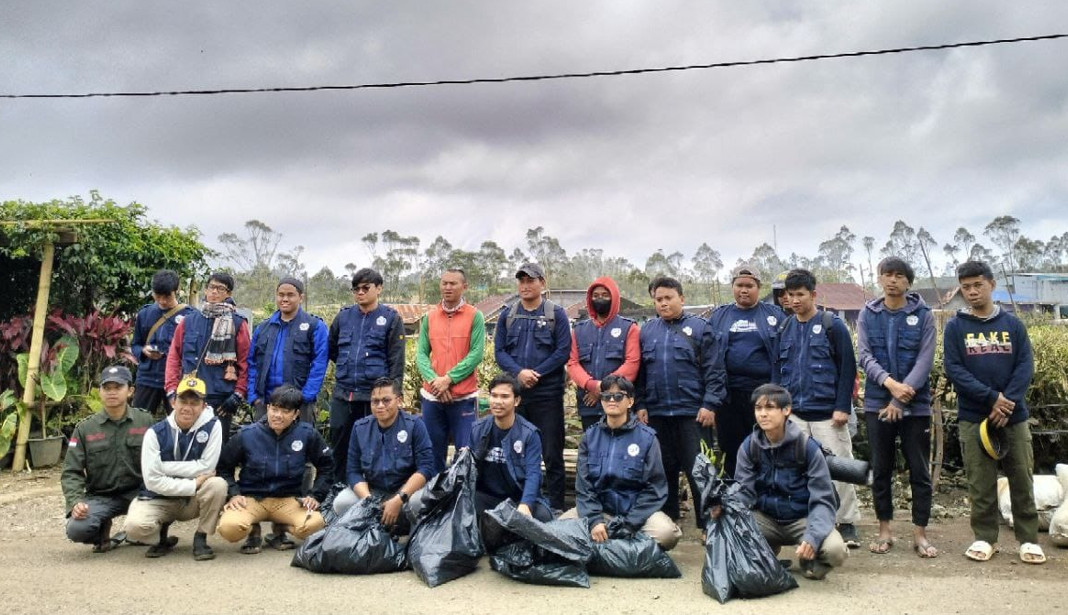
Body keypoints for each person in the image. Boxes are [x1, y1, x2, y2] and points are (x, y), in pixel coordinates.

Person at [944, 260, 1044, 564]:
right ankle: (985, 538)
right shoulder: (956, 327)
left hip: (1013, 416)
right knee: (980, 482)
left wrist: (1007, 401)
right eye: (966, 287)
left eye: (978, 285)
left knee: (1021, 478)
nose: (972, 291)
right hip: (974, 417)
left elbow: (1025, 365)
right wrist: (991, 399)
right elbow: (955, 369)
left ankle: (1028, 539)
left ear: (992, 284)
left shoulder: (1013, 325)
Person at [773, 268, 861, 548]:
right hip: (795, 415)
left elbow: (847, 369)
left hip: (828, 414)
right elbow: (777, 372)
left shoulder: (832, 326)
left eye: (800, 294)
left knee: (840, 468)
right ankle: (810, 520)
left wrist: (842, 407)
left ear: (813, 294)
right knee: (798, 470)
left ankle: (847, 523)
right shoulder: (784, 329)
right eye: (790, 295)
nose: (795, 300)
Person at [856, 257, 937, 557]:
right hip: (878, 404)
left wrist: (900, 399)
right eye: (887, 274)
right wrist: (890, 386)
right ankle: (884, 530)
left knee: (919, 470)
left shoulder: (923, 315)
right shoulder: (868, 314)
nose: (892, 280)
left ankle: (920, 534)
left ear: (908, 282)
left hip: (916, 406)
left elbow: (925, 360)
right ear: (879, 279)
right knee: (881, 469)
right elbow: (864, 355)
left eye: (899, 275)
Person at [732, 383, 849, 580]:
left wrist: (813, 537)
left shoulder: (807, 447)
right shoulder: (749, 446)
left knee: (835, 551)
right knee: (729, 532)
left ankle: (808, 561)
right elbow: (743, 493)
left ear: (786, 410)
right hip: (765, 519)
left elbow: (823, 500)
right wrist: (724, 507)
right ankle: (767, 554)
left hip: (802, 518)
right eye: (758, 408)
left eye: (770, 408)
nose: (763, 414)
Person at [634, 275, 719, 531]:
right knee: (663, 469)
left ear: (681, 298)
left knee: (699, 470)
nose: (663, 303)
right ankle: (668, 521)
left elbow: (715, 370)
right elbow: (641, 374)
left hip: (692, 413)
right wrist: (641, 404)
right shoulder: (647, 331)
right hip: (658, 413)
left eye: (668, 298)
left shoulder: (701, 328)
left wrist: (710, 404)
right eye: (658, 299)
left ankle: (707, 526)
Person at [564, 375, 681, 550]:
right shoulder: (590, 437)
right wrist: (594, 520)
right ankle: (614, 544)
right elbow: (584, 486)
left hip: (637, 514)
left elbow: (655, 488)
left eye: (618, 396)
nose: (612, 400)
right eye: (606, 396)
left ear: (630, 401)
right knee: (557, 531)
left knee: (667, 534)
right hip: (600, 512)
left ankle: (614, 545)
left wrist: (630, 524)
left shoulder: (647, 438)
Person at [216, 384, 333, 553]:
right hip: (252, 499)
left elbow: (327, 466)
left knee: (315, 525)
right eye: (274, 409)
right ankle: (253, 530)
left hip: (289, 500)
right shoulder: (247, 434)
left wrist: (315, 495)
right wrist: (233, 494)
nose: (278, 415)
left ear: (296, 414)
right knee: (229, 528)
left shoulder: (307, 434)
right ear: (268, 408)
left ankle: (281, 528)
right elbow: (223, 468)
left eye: (285, 411)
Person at [493, 262, 571, 512]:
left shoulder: (556, 314)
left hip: (547, 396)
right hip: (517, 398)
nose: (525, 286)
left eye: (531, 280)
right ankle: (517, 504)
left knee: (552, 454)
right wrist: (519, 373)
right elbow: (499, 352)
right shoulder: (508, 315)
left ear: (542, 283)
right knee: (515, 452)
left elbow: (563, 351)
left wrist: (536, 374)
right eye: (522, 281)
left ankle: (556, 508)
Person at [123, 376, 227, 560]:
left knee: (217, 485)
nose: (187, 407)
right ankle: (160, 537)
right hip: (159, 497)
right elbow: (152, 481)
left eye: (194, 403)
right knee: (134, 527)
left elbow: (207, 466)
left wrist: (163, 467)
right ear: (173, 402)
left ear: (204, 406)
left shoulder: (214, 426)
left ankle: (201, 537)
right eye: (183, 401)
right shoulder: (155, 433)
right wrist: (193, 484)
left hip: (191, 501)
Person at [61, 365, 155, 552]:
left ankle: (148, 534)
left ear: (130, 391)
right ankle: (102, 532)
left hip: (139, 493)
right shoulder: (85, 429)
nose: (112, 392)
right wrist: (76, 502)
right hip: (101, 496)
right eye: (107, 388)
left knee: (162, 511)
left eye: (118, 387)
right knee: (77, 529)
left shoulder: (145, 421)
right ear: (100, 392)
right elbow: (71, 471)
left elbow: (161, 460)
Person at [328, 267, 406, 485]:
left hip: (374, 396)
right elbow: (332, 349)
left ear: (378, 288)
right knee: (339, 442)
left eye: (365, 288)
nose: (360, 292)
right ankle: (338, 488)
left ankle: (373, 489)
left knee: (374, 444)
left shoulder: (390, 318)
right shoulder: (343, 317)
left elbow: (396, 359)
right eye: (356, 289)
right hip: (344, 393)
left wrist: (394, 393)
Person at [707, 263, 786, 476]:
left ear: (758, 288)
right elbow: (708, 355)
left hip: (764, 394)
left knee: (766, 444)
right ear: (732, 287)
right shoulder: (719, 316)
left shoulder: (774, 315)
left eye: (749, 286)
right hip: (728, 396)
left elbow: (785, 355)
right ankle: (735, 491)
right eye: (739, 285)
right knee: (731, 446)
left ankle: (766, 490)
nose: (744, 290)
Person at [332, 378, 435, 535]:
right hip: (374, 492)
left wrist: (399, 498)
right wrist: (369, 501)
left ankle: (409, 534)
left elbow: (426, 468)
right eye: (375, 401)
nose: (380, 405)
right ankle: (376, 530)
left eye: (386, 400)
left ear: (398, 401)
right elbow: (353, 472)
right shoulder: (360, 428)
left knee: (419, 503)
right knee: (341, 502)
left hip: (406, 492)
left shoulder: (415, 425)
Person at [166, 272, 251, 443]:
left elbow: (246, 363)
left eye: (220, 289)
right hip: (189, 394)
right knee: (185, 445)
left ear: (229, 294)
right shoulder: (188, 321)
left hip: (221, 400)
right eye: (211, 287)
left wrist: (238, 395)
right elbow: (174, 357)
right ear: (205, 290)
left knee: (217, 447)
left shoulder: (237, 324)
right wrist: (171, 390)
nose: (214, 292)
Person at [416, 267, 485, 473]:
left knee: (465, 454)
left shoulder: (475, 316)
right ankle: (433, 492)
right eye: (444, 283)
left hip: (464, 398)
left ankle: (460, 493)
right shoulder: (429, 317)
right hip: (432, 397)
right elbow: (421, 355)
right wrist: (436, 383)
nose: (447, 287)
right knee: (432, 453)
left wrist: (448, 379)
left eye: (453, 283)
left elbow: (476, 354)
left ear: (464, 286)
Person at [470, 373, 553, 523]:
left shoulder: (529, 434)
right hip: (487, 497)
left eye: (504, 396)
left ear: (517, 401)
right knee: (463, 507)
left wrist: (525, 504)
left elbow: (533, 474)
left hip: (517, 498)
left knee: (543, 516)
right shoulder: (478, 429)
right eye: (494, 396)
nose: (498, 401)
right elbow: (468, 467)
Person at [247, 276, 329, 425]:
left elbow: (320, 364)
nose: (285, 299)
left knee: (300, 440)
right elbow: (252, 362)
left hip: (299, 404)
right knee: (261, 440)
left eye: (290, 295)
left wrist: (305, 397)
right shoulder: (263, 328)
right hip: (265, 402)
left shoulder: (315, 326)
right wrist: (253, 397)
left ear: (301, 297)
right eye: (281, 295)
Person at [566, 276, 640, 429]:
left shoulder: (629, 328)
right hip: (589, 404)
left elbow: (632, 364)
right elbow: (573, 363)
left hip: (619, 404)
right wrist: (592, 385)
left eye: (605, 295)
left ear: (614, 298)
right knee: (592, 443)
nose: (600, 299)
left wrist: (603, 389)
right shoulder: (579, 330)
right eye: (596, 295)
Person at [131, 269, 194, 416]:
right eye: (157, 296)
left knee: (180, 421)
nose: (162, 301)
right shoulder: (145, 314)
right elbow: (135, 345)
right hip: (147, 377)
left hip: (176, 379)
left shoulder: (190, 316)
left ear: (176, 291)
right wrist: (143, 351)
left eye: (167, 297)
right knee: (140, 420)